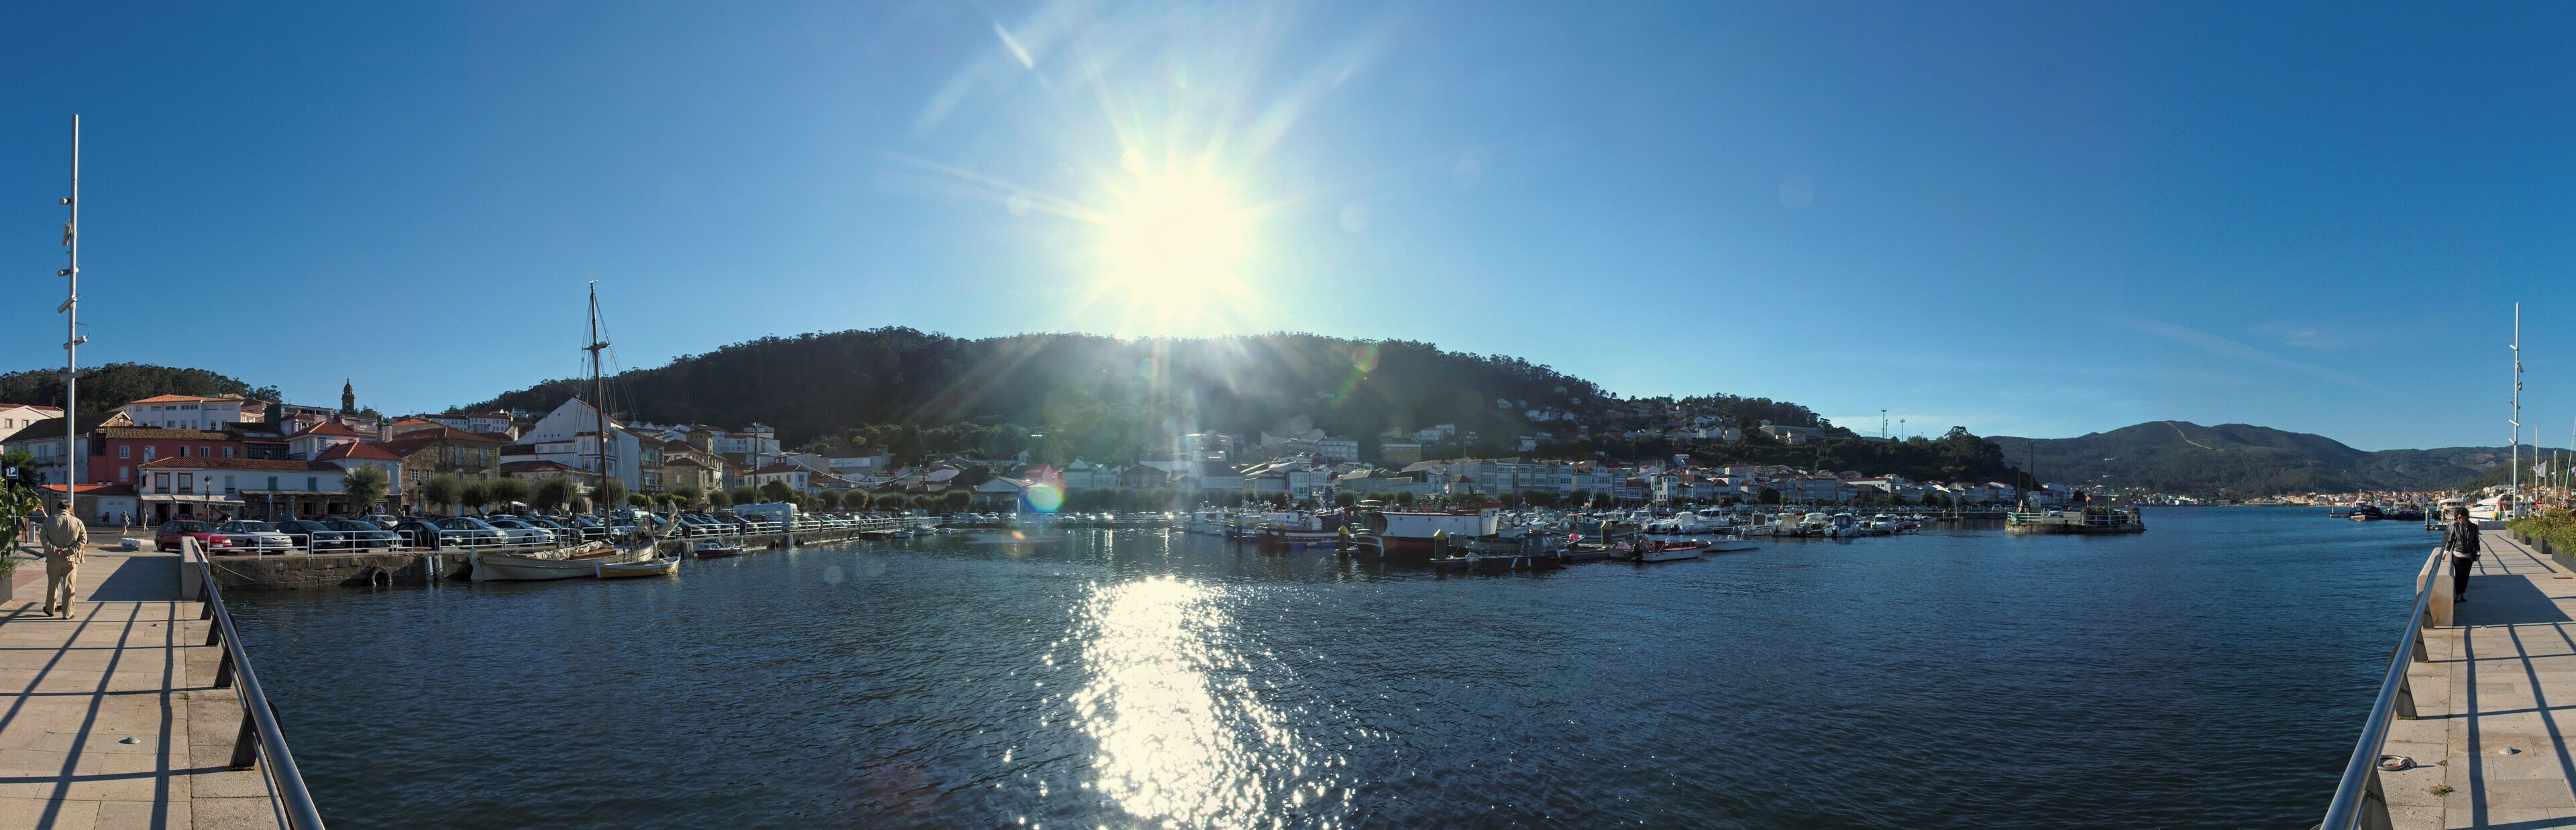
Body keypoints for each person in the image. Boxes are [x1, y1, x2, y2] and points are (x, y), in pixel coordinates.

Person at [41, 508, 87, 619]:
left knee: (53, 585)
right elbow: (83, 540)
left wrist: (55, 549)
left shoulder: (49, 521)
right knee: (69, 586)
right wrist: (68, 550)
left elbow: (44, 538)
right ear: (70, 509)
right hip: (71, 559)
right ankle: (68, 613)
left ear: (58, 508)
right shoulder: (78, 522)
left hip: (54, 559)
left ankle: (50, 609)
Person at [2443, 506, 2481, 603]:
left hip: (2469, 556)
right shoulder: (2455, 526)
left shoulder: (2474, 527)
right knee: (2459, 575)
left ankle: (2463, 593)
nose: (2458, 519)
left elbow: (2476, 541)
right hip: (2457, 555)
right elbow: (2450, 540)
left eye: (2460, 517)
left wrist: (2478, 553)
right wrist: (2446, 552)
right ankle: (2458, 595)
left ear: (2466, 516)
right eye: (2457, 517)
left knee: (2466, 575)